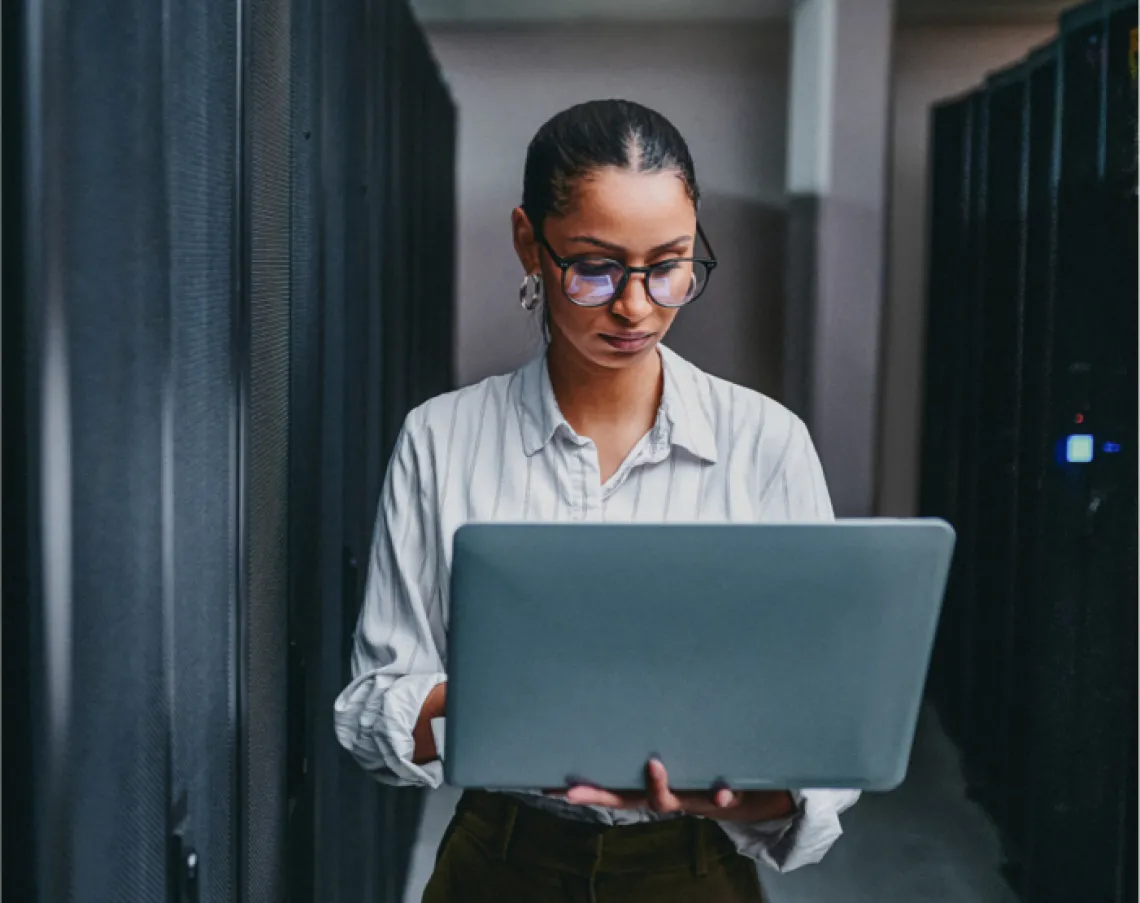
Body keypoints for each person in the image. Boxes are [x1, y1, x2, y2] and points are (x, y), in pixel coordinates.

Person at [334, 99, 859, 902]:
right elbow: (373, 709)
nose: (637, 305)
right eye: (595, 266)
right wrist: (504, 701)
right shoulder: (441, 440)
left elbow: (822, 722)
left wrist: (748, 793)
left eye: (670, 264)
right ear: (528, 244)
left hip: (694, 865)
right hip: (499, 860)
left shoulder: (766, 442)